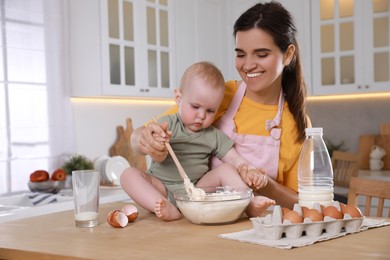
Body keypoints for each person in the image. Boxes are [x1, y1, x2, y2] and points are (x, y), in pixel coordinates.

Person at [128, 2, 310, 209]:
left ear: (288, 54)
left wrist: (263, 183)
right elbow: (140, 136)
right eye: (241, 54)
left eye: (261, 54)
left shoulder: (295, 122)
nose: (248, 65)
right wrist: (144, 140)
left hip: (255, 229)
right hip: (200, 217)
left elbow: (300, 202)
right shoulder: (220, 96)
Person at [120, 61, 275, 221]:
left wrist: (250, 170)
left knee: (227, 169)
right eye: (195, 106)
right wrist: (156, 139)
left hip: (196, 191)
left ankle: (248, 204)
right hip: (160, 187)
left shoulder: (213, 135)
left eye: (210, 110)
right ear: (178, 98)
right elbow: (145, 137)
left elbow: (235, 159)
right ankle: (163, 205)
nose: (201, 115)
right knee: (127, 174)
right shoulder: (168, 123)